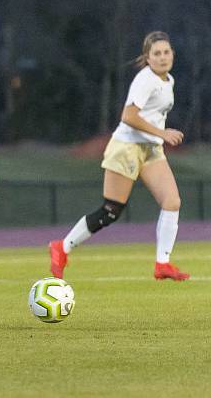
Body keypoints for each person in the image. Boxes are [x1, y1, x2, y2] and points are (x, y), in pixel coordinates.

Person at [49, 31, 189, 281]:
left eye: (166, 52)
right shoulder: (145, 80)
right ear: (147, 58)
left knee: (172, 202)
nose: (162, 57)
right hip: (126, 148)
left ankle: (162, 264)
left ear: (173, 55)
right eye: (156, 53)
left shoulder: (169, 80)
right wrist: (162, 133)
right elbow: (129, 116)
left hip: (150, 149)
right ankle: (62, 247)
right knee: (111, 211)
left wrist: (158, 137)